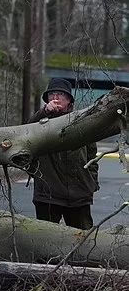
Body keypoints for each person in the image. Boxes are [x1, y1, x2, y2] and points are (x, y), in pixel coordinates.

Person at [28, 78, 99, 230]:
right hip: (48, 195)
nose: (55, 98)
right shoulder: (41, 121)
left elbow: (92, 155)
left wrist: (92, 182)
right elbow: (26, 131)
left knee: (82, 241)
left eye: (60, 94)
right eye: (52, 94)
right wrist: (45, 112)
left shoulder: (82, 122)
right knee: (45, 240)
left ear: (69, 101)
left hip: (79, 195)